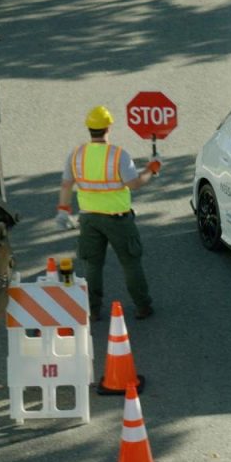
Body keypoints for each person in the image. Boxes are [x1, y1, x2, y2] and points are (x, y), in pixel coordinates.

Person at [55, 105, 162, 322]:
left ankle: (93, 310)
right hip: (118, 219)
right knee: (130, 263)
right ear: (108, 127)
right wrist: (152, 169)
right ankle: (143, 306)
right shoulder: (118, 155)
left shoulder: (76, 155)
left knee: (93, 265)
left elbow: (66, 185)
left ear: (89, 128)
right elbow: (133, 184)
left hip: (89, 219)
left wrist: (63, 210)